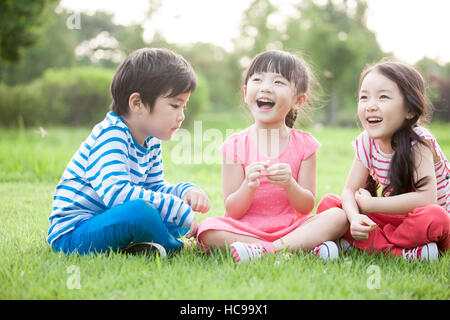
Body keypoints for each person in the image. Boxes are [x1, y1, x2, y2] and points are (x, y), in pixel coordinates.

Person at [47, 48, 210, 257]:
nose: (181, 116)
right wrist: (176, 208)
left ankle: (146, 243)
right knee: (142, 212)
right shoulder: (111, 136)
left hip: (108, 220)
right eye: (175, 105)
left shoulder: (150, 139)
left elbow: (155, 187)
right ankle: (171, 248)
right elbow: (117, 194)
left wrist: (184, 193)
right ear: (137, 103)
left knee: (166, 217)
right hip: (73, 234)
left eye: (184, 107)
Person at [197, 50, 349, 263]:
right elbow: (233, 210)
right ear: (245, 93)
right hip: (245, 229)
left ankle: (266, 250)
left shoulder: (305, 145)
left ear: (298, 100)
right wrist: (248, 186)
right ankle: (299, 248)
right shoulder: (234, 145)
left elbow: (306, 206)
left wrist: (290, 184)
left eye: (278, 82)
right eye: (257, 79)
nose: (266, 87)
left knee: (339, 217)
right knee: (206, 230)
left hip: (291, 228)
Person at [317, 60, 449, 261]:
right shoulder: (366, 142)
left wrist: (371, 206)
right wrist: (354, 218)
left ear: (410, 111)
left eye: (383, 97)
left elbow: (426, 199)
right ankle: (405, 253)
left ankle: (371, 245)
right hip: (396, 220)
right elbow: (349, 191)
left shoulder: (419, 142)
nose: (370, 106)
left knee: (435, 217)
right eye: (364, 97)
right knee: (329, 205)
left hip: (430, 225)